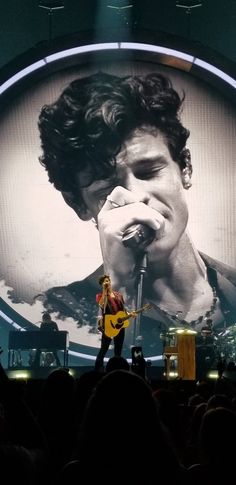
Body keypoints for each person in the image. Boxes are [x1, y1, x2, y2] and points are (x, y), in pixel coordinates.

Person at [37, 70, 236, 368]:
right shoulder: (61, 311)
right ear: (78, 204)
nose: (135, 196)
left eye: (149, 172)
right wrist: (119, 289)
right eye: (106, 187)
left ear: (185, 169)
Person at [95, 274, 135, 370]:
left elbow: (122, 311)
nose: (107, 282)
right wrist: (105, 291)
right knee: (104, 348)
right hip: (108, 324)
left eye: (108, 280)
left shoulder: (119, 295)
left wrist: (130, 314)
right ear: (101, 284)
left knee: (118, 349)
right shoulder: (100, 296)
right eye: (105, 281)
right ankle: (97, 369)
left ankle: (117, 370)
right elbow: (102, 305)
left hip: (119, 324)